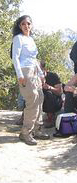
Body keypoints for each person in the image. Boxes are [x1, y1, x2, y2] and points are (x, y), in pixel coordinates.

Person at [11, 15, 50, 145]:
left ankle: (37, 129)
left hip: (34, 72)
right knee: (32, 99)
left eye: (28, 23)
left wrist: (41, 74)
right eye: (23, 24)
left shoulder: (31, 39)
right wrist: (20, 75)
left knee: (40, 99)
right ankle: (25, 132)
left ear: (31, 25)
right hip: (25, 72)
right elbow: (15, 58)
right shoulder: (18, 38)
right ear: (19, 26)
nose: (26, 26)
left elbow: (34, 60)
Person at [40, 60, 63, 128]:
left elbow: (60, 92)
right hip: (41, 101)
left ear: (44, 69)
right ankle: (25, 117)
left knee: (48, 93)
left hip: (55, 102)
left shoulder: (53, 76)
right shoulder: (34, 77)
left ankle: (50, 118)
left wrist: (49, 87)